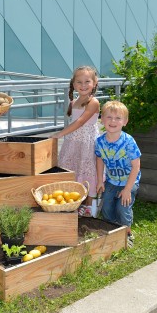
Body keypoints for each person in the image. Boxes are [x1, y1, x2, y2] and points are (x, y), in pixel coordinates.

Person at [51, 66, 100, 216]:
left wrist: (59, 134)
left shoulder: (93, 102)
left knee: (87, 169)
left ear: (94, 83)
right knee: (72, 167)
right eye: (79, 82)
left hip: (87, 142)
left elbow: (80, 122)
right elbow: (74, 122)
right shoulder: (74, 102)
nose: (83, 85)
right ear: (73, 84)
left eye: (87, 81)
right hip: (73, 141)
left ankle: (89, 205)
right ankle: (73, 200)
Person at [95, 101, 141, 248]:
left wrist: (128, 189)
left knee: (123, 208)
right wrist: (100, 180)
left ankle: (127, 234)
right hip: (111, 181)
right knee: (107, 207)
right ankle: (112, 233)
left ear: (125, 122)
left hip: (129, 182)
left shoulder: (128, 142)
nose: (113, 121)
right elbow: (99, 159)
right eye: (109, 117)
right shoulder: (100, 141)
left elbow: (136, 166)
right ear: (102, 119)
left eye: (118, 118)